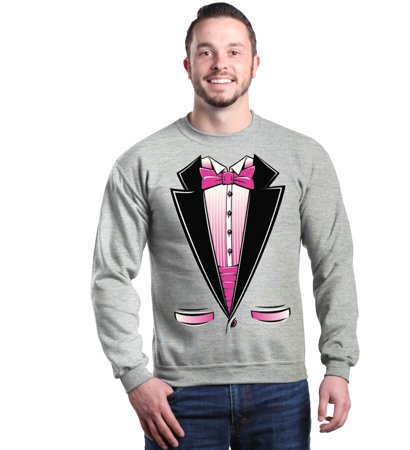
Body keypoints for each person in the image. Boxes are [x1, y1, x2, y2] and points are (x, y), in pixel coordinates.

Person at [90, 3, 359, 449]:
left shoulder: (304, 156)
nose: (220, 64)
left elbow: (334, 264)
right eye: (206, 52)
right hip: (179, 394)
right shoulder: (140, 163)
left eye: (234, 52)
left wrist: (339, 364)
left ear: (255, 63)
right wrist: (134, 376)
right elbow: (110, 275)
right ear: (187, 65)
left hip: (281, 389)